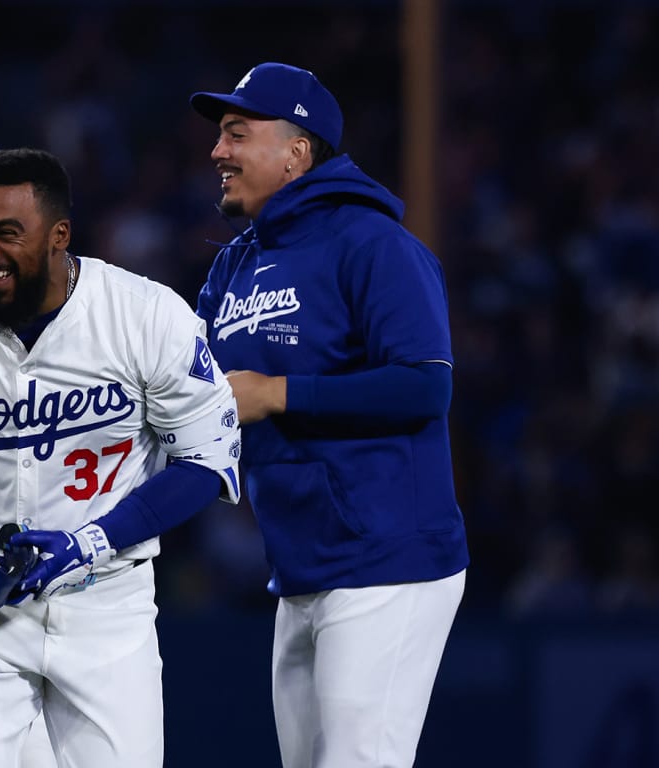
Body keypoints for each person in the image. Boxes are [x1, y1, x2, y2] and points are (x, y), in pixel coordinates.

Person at [0, 148, 242, 766]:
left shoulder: (144, 314)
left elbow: (209, 461)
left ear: (58, 236)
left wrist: (96, 539)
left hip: (105, 602)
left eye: (7, 233)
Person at [189, 62, 469, 768]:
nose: (217, 152)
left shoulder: (374, 245)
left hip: (389, 555)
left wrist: (280, 394)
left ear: (297, 151)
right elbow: (185, 382)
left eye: (236, 133)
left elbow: (424, 388)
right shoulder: (235, 264)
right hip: (302, 563)